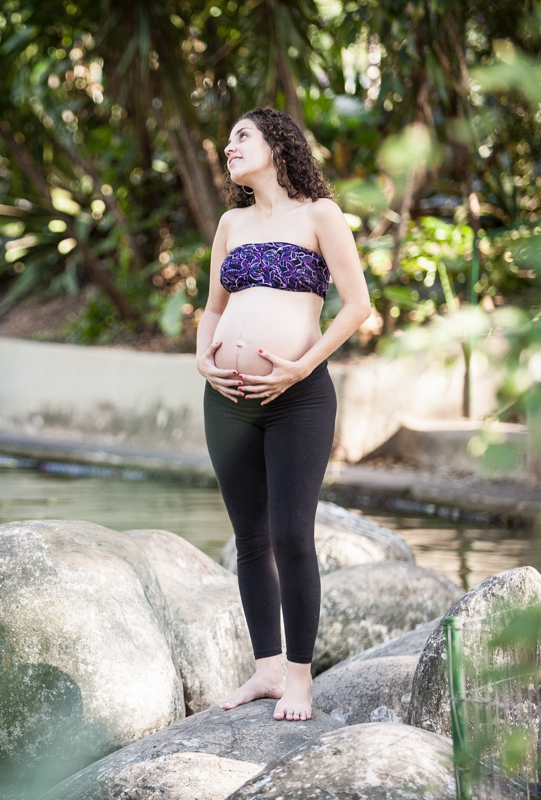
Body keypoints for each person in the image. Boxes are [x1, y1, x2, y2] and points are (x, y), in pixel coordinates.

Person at [195, 108, 372, 721]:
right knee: (250, 539)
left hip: (298, 396)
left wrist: (302, 365)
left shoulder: (320, 214)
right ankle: (265, 671)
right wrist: (202, 357)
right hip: (228, 401)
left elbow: (357, 305)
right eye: (228, 138)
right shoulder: (230, 223)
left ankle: (300, 678)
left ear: (277, 143)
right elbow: (213, 309)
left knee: (292, 533)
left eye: (241, 135)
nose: (229, 145)